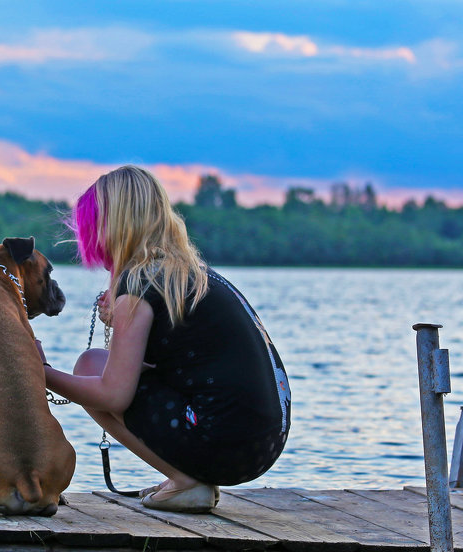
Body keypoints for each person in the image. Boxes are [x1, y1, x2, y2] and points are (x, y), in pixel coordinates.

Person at [38, 165, 290, 513]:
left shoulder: (139, 285)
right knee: (91, 363)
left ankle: (187, 481)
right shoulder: (185, 273)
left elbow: (114, 394)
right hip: (260, 441)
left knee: (91, 376)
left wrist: (39, 370)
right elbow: (177, 364)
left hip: (228, 443)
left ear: (110, 226)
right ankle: (188, 476)